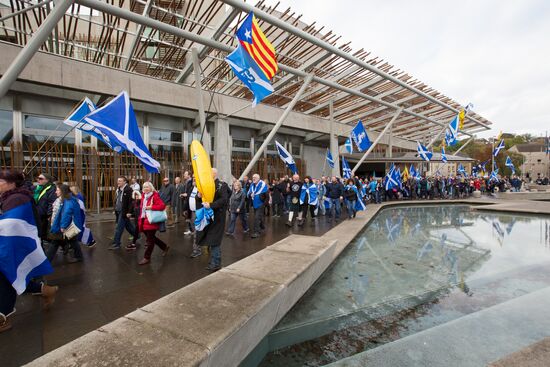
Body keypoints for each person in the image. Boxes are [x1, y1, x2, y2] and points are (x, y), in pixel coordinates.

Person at [0, 170, 58, 333]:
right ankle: (44, 289)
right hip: (12, 243)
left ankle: (3, 317)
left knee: (8, 277)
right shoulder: (10, 197)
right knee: (13, 275)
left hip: (15, 244)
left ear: (11, 183)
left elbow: (11, 225)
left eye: (0, 181)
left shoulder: (17, 198)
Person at [196, 168, 229, 271]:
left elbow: (224, 200)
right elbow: (199, 200)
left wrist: (211, 205)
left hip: (218, 218)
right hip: (207, 217)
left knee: (214, 241)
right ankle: (214, 261)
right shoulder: (204, 185)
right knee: (210, 239)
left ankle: (216, 263)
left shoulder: (221, 185)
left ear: (214, 174)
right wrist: (198, 196)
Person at [47, 184, 85, 263]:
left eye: (57, 190)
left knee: (55, 242)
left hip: (66, 225)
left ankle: (47, 261)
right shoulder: (70, 199)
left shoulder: (68, 200)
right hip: (69, 225)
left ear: (62, 191)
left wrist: (63, 226)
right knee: (72, 241)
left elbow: (66, 213)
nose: (55, 192)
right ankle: (79, 256)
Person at [137, 182, 170, 265]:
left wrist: (151, 207)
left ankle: (146, 257)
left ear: (151, 188)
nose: (145, 189)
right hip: (143, 221)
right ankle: (164, 247)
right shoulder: (143, 196)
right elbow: (142, 209)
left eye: (147, 187)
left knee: (150, 241)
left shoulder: (154, 196)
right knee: (152, 238)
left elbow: (162, 206)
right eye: (144, 187)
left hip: (151, 221)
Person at [110, 176, 135, 250]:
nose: (118, 182)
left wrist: (130, 212)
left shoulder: (128, 189)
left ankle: (116, 243)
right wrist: (115, 209)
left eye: (120, 181)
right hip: (118, 211)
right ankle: (137, 235)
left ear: (125, 182)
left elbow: (131, 202)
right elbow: (117, 200)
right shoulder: (118, 189)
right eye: (118, 181)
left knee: (119, 227)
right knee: (128, 226)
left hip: (124, 212)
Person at [34, 173, 57, 244]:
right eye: (38, 178)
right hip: (37, 214)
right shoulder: (38, 188)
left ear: (47, 180)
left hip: (44, 215)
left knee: (42, 234)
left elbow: (51, 202)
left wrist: (49, 215)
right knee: (40, 234)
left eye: (41, 178)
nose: (38, 180)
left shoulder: (51, 189)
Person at [248, 174, 268, 238]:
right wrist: (250, 194)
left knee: (256, 218)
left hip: (261, 204)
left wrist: (264, 204)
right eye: (253, 177)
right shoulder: (252, 185)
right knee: (259, 216)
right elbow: (249, 193)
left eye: (255, 177)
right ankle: (262, 226)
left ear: (258, 178)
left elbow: (267, 197)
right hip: (254, 204)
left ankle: (257, 232)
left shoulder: (263, 185)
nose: (253, 178)